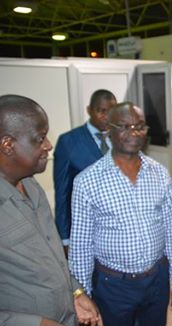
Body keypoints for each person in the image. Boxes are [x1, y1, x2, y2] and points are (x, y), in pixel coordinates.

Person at [68, 102, 172, 326]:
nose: (134, 132)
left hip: (156, 279)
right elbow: (80, 247)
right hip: (113, 286)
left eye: (139, 126)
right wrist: (84, 295)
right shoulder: (87, 182)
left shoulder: (160, 173)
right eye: (124, 126)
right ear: (108, 131)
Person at [0, 94, 103, 326]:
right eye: (39, 138)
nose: (48, 145)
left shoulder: (32, 187)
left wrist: (75, 292)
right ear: (7, 144)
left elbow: (51, 256)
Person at [53, 89, 117, 248]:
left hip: (119, 224)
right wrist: (64, 237)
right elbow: (62, 193)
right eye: (101, 111)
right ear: (89, 110)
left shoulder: (121, 137)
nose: (107, 116)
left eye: (111, 112)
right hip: (87, 224)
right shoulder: (68, 141)